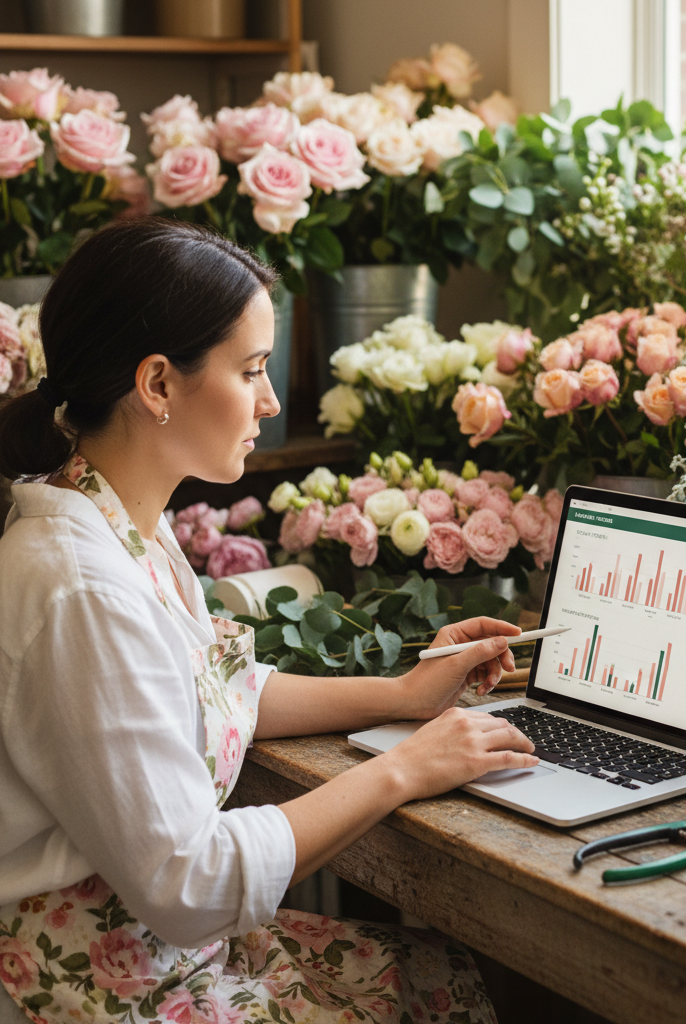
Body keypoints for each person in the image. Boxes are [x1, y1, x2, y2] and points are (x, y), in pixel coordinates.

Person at [0, 219, 539, 1024]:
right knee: (438, 989)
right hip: (105, 990)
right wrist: (404, 769)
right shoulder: (81, 588)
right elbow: (189, 882)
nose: (272, 400)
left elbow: (213, 687)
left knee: (439, 969)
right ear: (157, 385)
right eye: (251, 369)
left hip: (159, 954)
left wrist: (404, 694)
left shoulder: (117, 522)